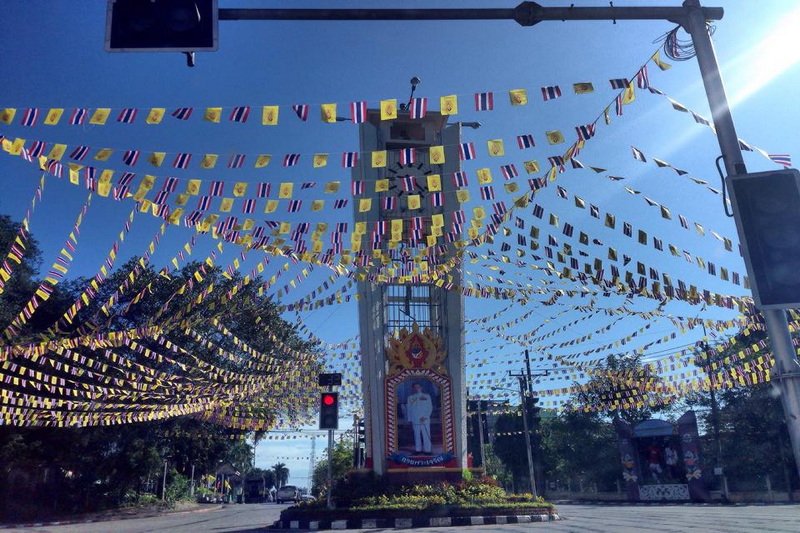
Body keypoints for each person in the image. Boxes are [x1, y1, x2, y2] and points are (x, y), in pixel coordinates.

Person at [405, 382, 433, 454]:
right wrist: (409, 420)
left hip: (425, 419)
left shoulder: (426, 396)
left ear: (421, 388)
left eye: (418, 387)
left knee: (426, 435)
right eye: (415, 387)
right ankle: (418, 450)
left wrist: (426, 417)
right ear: (412, 389)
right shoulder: (410, 398)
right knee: (417, 435)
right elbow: (409, 409)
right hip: (415, 419)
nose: (416, 389)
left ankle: (427, 450)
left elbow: (430, 408)